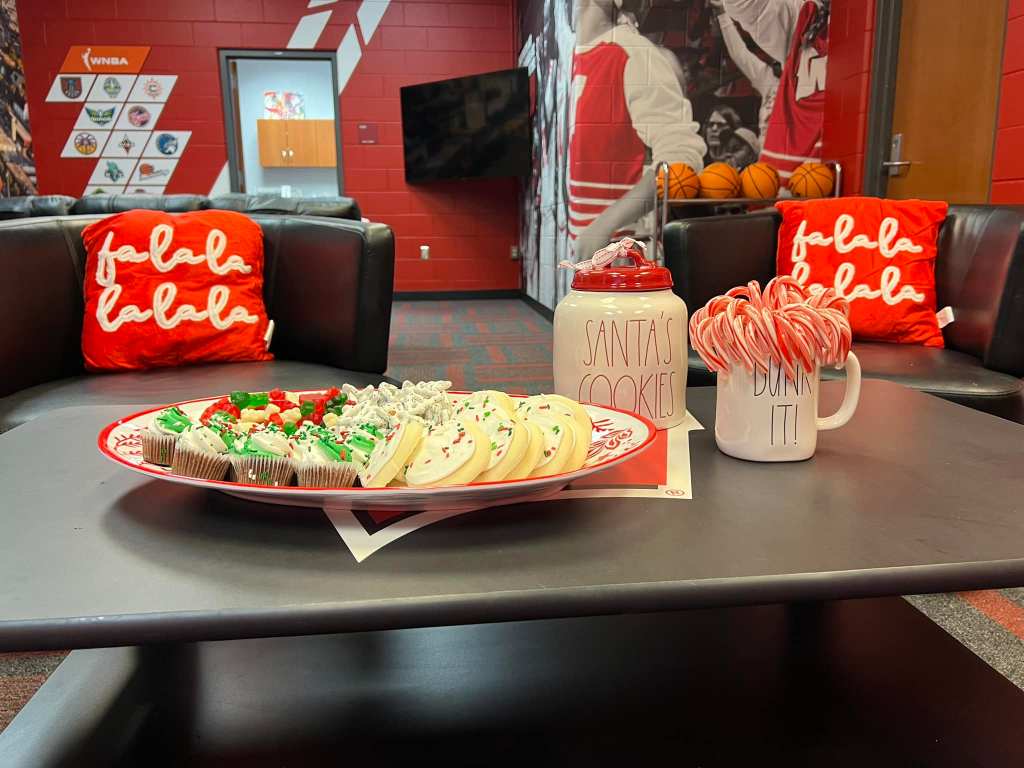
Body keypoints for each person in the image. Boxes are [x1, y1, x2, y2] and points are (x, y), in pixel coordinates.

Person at [568, 0, 706, 265]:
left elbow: (681, 158)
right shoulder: (570, 60)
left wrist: (605, 224)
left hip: (622, 259)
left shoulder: (634, 53)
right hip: (583, 253)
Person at [722, 0, 828, 185]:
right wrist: (722, 15)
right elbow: (748, 8)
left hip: (838, 187)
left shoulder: (874, 27)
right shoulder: (807, 18)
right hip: (783, 188)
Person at [709, 0, 780, 145]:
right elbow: (740, 54)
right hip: (766, 160)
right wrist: (722, 13)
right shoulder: (769, 79)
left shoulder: (810, 80)